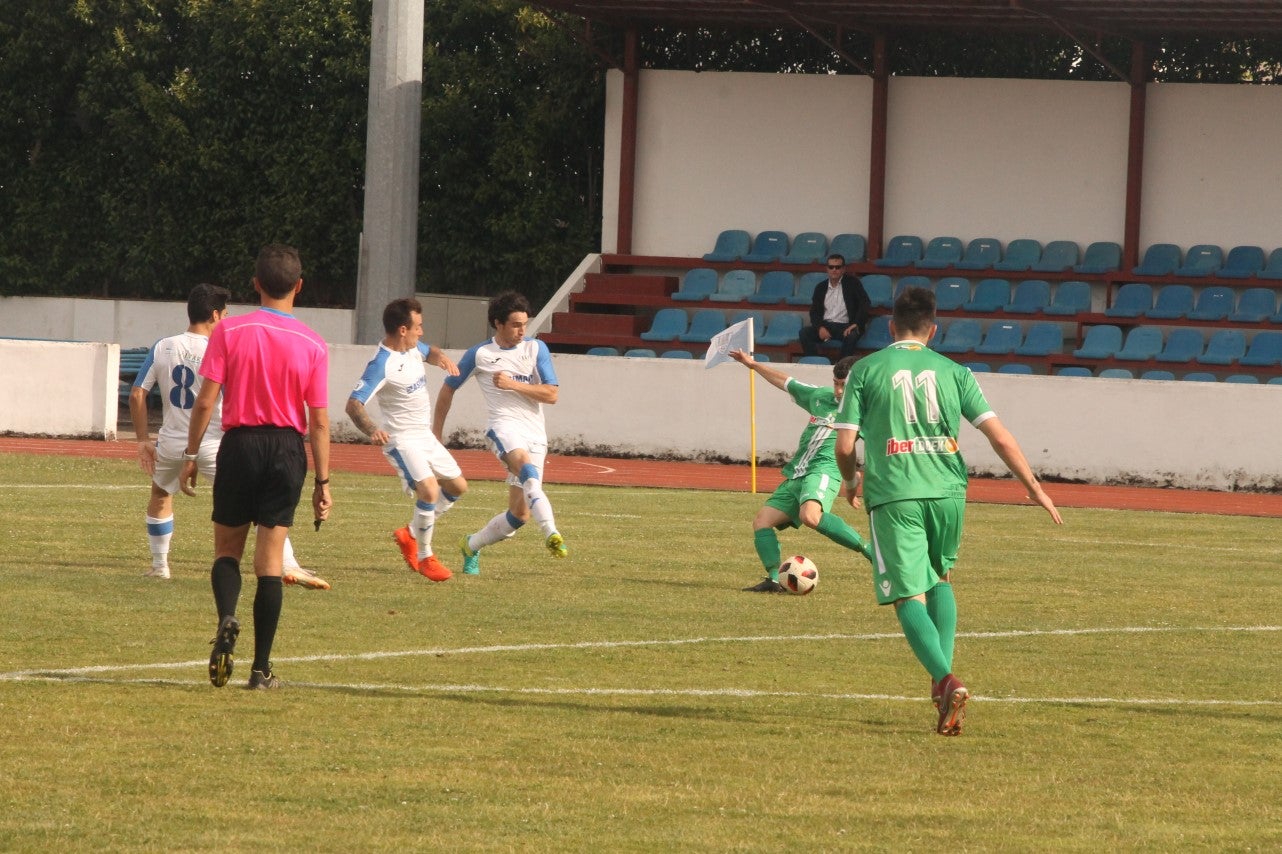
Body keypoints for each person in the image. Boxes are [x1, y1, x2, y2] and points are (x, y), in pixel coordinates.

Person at [833, 286, 1061, 736]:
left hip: (896, 492)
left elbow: (844, 446)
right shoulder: (956, 372)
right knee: (940, 578)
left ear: (891, 327)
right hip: (948, 493)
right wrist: (1034, 487)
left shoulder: (865, 369)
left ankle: (945, 679)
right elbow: (999, 437)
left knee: (906, 595)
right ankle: (942, 688)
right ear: (933, 331)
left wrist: (852, 482)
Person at [181, 244, 332, 690]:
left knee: (227, 551)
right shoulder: (314, 343)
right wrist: (323, 482)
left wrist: (191, 455)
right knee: (270, 562)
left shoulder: (230, 331)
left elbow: (205, 401)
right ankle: (261, 670)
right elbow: (319, 421)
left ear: (256, 284)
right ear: (299, 286)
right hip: (286, 449)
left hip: (240, 444)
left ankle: (227, 615)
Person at [129, 283, 328, 590]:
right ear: (214, 315)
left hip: (170, 442)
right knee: (259, 505)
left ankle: (160, 566)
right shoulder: (223, 343)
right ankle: (287, 563)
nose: (225, 319)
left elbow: (137, 394)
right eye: (224, 314)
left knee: (160, 495)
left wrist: (143, 439)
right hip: (214, 443)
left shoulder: (163, 346)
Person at [432, 290, 566, 574]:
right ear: (498, 323)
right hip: (503, 427)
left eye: (525, 324)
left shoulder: (536, 349)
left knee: (519, 515)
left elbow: (552, 394)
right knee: (527, 470)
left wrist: (513, 384)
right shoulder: (480, 354)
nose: (522, 331)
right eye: (516, 325)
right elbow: (448, 389)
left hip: (535, 434)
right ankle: (551, 532)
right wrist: (436, 434)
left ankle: (471, 545)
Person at [728, 349, 874, 593]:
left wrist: (853, 481)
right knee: (762, 521)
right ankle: (774, 580)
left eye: (844, 386)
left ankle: (869, 550)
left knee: (810, 516)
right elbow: (786, 382)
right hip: (797, 472)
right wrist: (752, 364)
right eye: (836, 383)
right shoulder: (820, 396)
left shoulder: (867, 411)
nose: (839, 391)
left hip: (824, 470)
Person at [347, 297, 468, 582]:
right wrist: (372, 429)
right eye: (418, 327)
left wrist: (441, 359)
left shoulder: (412, 349)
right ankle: (425, 557)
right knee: (430, 491)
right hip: (402, 440)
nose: (421, 332)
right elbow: (353, 404)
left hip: (423, 435)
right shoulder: (382, 364)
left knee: (458, 486)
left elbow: (430, 351)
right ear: (403, 330)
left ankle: (411, 533)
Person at [799, 253, 871, 362]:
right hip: (826, 325)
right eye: (831, 267)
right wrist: (820, 327)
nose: (834, 270)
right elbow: (814, 312)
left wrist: (857, 323)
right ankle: (817, 364)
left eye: (838, 267)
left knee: (852, 336)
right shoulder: (820, 287)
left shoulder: (853, 283)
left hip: (846, 326)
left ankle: (840, 366)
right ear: (827, 269)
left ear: (843, 269)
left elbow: (865, 303)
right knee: (804, 333)